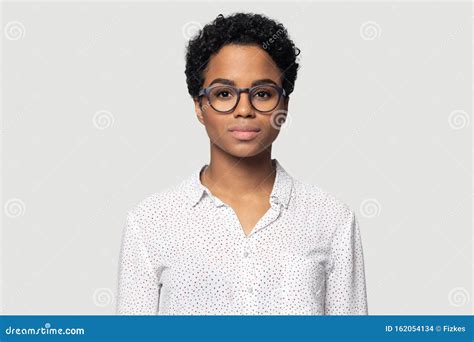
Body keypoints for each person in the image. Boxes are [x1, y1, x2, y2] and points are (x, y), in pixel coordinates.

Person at [116, 12, 368, 315]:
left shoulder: (332, 219)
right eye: (224, 93)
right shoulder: (150, 222)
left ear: (284, 105)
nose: (244, 109)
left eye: (262, 93)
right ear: (199, 106)